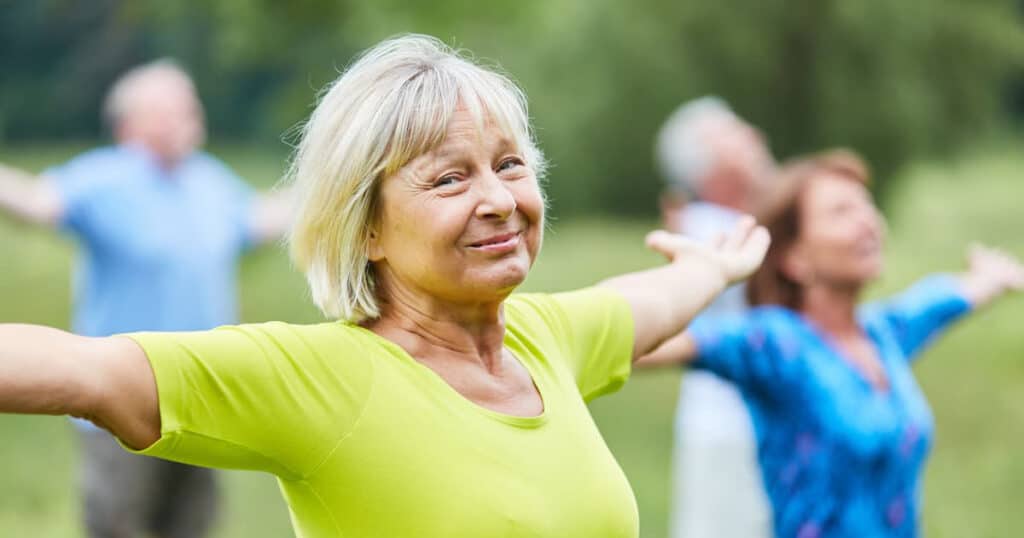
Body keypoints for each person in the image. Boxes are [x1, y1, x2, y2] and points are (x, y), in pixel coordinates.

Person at [0, 35, 772, 538]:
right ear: (365, 229)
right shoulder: (326, 381)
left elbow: (643, 305)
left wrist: (710, 267)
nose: (499, 198)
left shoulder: (546, 341)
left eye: (508, 164)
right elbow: (85, 371)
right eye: (448, 178)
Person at [638, 149, 1024, 537]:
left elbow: (936, 300)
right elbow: (646, 343)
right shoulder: (775, 344)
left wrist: (986, 279)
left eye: (866, 205)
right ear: (794, 257)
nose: (868, 222)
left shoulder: (882, 334)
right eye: (842, 212)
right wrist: (685, 283)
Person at [0, 60, 291, 538]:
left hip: (203, 399)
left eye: (189, 102)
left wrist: (351, 179)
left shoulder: (209, 180)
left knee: (191, 527)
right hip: (120, 399)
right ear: (131, 123)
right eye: (174, 105)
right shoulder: (104, 178)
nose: (190, 112)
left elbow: (261, 219)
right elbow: (36, 202)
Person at [654, 96, 776, 538]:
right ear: (708, 169)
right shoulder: (710, 231)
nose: (753, 137)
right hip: (730, 428)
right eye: (734, 134)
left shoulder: (718, 223)